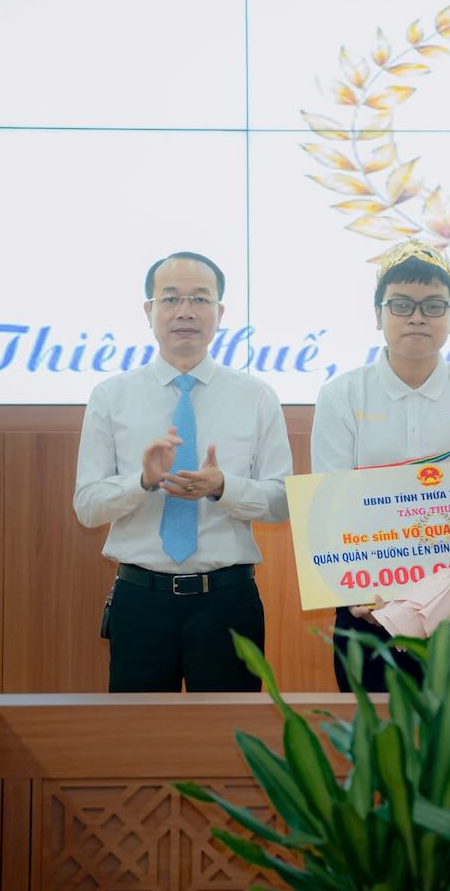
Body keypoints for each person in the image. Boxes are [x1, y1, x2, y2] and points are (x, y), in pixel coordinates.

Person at [73, 251, 291, 692]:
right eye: (171, 299)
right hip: (140, 600)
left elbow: (282, 502)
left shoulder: (256, 396)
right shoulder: (111, 396)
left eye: (200, 299)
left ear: (220, 312)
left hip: (229, 599)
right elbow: (88, 508)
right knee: (141, 746)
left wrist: (223, 487)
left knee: (231, 746)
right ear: (149, 311)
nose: (186, 311)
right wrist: (142, 481)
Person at [310, 239, 450, 692]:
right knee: (376, 742)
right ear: (378, 315)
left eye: (434, 305)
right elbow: (330, 501)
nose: (417, 316)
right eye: (401, 304)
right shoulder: (342, 396)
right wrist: (350, 589)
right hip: (368, 603)